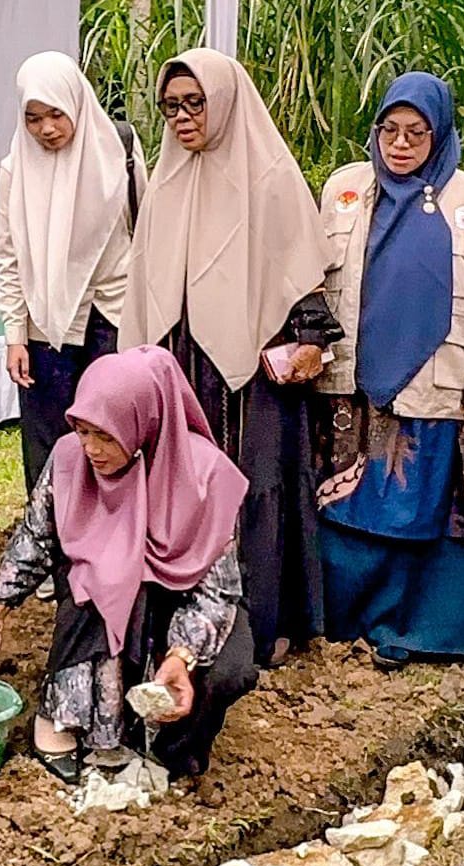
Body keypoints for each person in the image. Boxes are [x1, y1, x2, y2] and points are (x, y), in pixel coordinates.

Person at [118, 49, 343, 668]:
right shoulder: (164, 181)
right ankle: (185, 625)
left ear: (224, 100)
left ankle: (261, 625)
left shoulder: (268, 175)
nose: (184, 118)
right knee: (184, 489)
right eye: (171, 108)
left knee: (253, 489)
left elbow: (302, 281)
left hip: (251, 371)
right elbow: (145, 283)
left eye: (196, 103)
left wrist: (304, 340)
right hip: (184, 364)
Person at [0, 347, 256, 784]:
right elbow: (36, 538)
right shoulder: (70, 460)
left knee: (230, 668)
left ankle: (168, 746)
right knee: (102, 578)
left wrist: (181, 655)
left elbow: (216, 593)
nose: (91, 449)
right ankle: (73, 719)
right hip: (106, 594)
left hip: (186, 603)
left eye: (105, 435)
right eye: (82, 431)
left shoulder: (205, 476)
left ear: (145, 423)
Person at [315, 72, 464, 670]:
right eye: (390, 130)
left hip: (435, 382)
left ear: (441, 136)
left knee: (418, 507)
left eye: (417, 133)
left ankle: (411, 628)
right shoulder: (346, 188)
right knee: (348, 506)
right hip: (354, 381)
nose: (400, 145)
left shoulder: (463, 200)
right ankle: (342, 616)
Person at [0, 50, 147, 497]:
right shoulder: (15, 168)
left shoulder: (118, 148)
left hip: (116, 316)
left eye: (56, 114)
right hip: (48, 325)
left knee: (118, 433)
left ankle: (119, 536)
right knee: (51, 443)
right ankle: (53, 542)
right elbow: (9, 256)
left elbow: (146, 230)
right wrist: (14, 336)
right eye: (34, 118)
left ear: (77, 102)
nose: (47, 129)